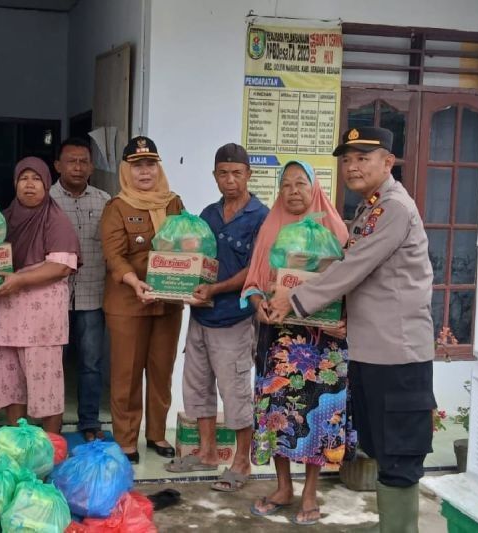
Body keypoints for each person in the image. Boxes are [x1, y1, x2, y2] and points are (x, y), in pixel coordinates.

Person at [269, 127, 435, 532]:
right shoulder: (369, 208)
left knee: (397, 455)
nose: (353, 166)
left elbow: (352, 269)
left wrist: (293, 300)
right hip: (371, 352)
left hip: (398, 357)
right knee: (380, 448)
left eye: (363, 157)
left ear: (387, 162)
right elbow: (361, 276)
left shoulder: (393, 208)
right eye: (347, 159)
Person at [242, 159, 352, 526]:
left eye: (300, 183)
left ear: (314, 187)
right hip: (282, 339)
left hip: (324, 343)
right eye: (285, 184)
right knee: (279, 414)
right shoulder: (271, 226)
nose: (293, 191)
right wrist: (259, 306)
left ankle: (310, 491)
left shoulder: (335, 229)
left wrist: (343, 321)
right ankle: (283, 486)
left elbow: (351, 285)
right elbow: (256, 280)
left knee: (318, 418)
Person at [164, 143, 268, 493]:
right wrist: (175, 282)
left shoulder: (260, 217)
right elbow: (194, 259)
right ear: (214, 176)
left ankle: (242, 462)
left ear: (248, 175)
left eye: (236, 173)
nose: (230, 180)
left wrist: (216, 288)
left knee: (235, 391)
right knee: (197, 387)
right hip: (201, 315)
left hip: (233, 319)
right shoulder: (207, 215)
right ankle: (207, 453)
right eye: (223, 173)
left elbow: (256, 269)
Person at [100, 136, 184, 464]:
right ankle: (125, 440)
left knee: (162, 371)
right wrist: (134, 280)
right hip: (128, 303)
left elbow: (187, 244)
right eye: (137, 166)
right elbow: (114, 255)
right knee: (127, 373)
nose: (145, 172)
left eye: (150, 164)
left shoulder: (174, 203)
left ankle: (157, 433)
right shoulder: (117, 207)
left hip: (168, 302)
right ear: (126, 171)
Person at [0, 156, 80, 435]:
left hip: (40, 320)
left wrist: (20, 279)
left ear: (47, 184)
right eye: (23, 178)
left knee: (45, 384)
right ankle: (16, 440)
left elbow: (61, 266)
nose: (29, 185)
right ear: (15, 183)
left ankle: (51, 445)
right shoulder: (1, 220)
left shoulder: (56, 219)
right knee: (9, 380)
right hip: (4, 313)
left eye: (36, 179)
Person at [50, 138, 111, 441]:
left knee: (90, 363)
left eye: (83, 161)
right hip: (51, 295)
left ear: (91, 166)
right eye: (70, 161)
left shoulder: (105, 201)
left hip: (92, 293)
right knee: (51, 363)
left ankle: (89, 421)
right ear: (57, 165)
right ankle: (51, 422)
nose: (77, 166)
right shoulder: (44, 199)